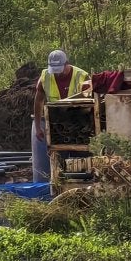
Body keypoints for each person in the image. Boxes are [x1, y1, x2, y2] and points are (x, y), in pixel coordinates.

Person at [31, 49, 91, 183]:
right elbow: (38, 100)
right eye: (54, 70)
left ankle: (81, 182)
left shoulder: (81, 75)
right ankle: (56, 185)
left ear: (67, 64)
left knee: (80, 158)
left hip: (78, 124)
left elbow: (91, 102)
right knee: (56, 159)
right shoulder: (46, 76)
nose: (57, 74)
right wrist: (38, 126)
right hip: (55, 125)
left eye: (60, 69)